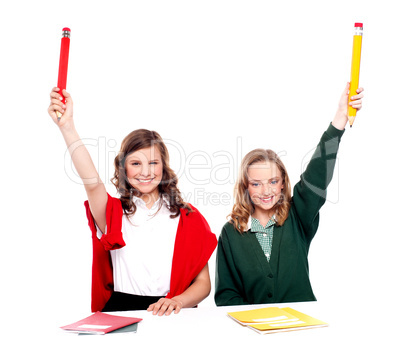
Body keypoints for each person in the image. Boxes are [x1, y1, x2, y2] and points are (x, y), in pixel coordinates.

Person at [48, 88, 217, 315]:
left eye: (153, 163)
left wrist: (178, 301)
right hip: (122, 310)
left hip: (173, 309)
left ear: (163, 167)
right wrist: (67, 127)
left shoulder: (188, 217)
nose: (145, 172)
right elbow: (92, 184)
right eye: (136, 163)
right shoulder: (113, 212)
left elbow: (203, 283)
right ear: (124, 168)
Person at [214, 83, 364, 306]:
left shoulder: (298, 215)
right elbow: (227, 294)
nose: (266, 191)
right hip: (254, 330)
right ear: (245, 186)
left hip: (301, 325)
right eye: (256, 184)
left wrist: (340, 118)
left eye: (273, 181)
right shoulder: (231, 233)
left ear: (283, 183)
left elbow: (316, 175)